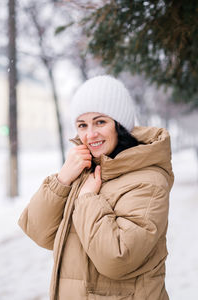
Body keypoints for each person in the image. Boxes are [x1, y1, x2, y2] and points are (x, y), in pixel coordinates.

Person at [18, 75, 174, 300]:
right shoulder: (85, 172)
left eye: (100, 122)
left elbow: (118, 258)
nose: (90, 135)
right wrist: (63, 180)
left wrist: (87, 199)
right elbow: (39, 233)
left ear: (120, 125)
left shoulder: (148, 180)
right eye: (82, 125)